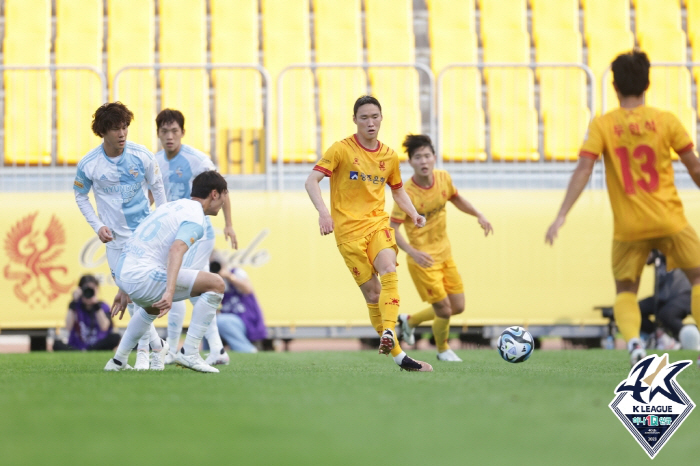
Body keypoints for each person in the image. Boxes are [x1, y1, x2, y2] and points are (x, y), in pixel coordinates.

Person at [545, 49, 700, 367]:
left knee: (626, 289)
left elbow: (584, 171)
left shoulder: (603, 125)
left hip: (630, 227)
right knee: (697, 278)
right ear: (647, 84)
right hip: (670, 220)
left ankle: (633, 343)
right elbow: (695, 169)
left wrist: (561, 215)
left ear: (614, 86)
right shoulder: (666, 121)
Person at [304, 95, 432, 372]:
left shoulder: (389, 156)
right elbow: (311, 180)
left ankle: (388, 331)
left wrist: (413, 214)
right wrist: (324, 213)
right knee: (373, 295)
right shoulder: (340, 149)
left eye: (375, 116)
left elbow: (397, 190)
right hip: (348, 234)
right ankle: (400, 357)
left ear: (381, 118)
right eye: (364, 117)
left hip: (377, 225)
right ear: (355, 120)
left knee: (388, 267)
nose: (370, 122)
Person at [74, 102, 168, 370]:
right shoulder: (89, 164)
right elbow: (80, 195)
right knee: (136, 298)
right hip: (114, 242)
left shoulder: (142, 156)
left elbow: (158, 188)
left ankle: (143, 356)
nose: (122, 133)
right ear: (102, 132)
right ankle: (158, 347)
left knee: (138, 297)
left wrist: (161, 223)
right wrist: (97, 225)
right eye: (115, 128)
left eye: (125, 127)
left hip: (143, 237)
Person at [105, 170, 229, 373]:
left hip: (125, 271)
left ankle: (118, 361)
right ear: (215, 194)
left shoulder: (173, 206)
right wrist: (169, 292)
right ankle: (189, 353)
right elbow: (176, 249)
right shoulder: (196, 217)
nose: (224, 203)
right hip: (141, 275)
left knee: (151, 307)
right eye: (224, 196)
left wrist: (122, 288)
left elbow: (142, 240)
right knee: (216, 284)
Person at [390, 135, 493, 362]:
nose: (424, 161)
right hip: (422, 259)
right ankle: (443, 350)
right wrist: (412, 252)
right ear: (411, 162)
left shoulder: (443, 178)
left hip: (445, 254)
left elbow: (456, 199)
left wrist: (479, 214)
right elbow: (393, 229)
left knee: (458, 306)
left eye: (427, 156)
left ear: (434, 158)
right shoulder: (405, 194)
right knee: (444, 310)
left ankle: (411, 321)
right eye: (418, 157)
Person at [153, 109, 238, 367]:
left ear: (183, 132)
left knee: (179, 285)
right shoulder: (155, 161)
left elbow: (221, 190)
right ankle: (216, 349)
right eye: (164, 132)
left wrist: (229, 224)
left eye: (174, 131)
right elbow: (151, 195)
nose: (169, 136)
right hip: (175, 231)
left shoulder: (197, 159)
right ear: (157, 134)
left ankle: (173, 347)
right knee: (198, 290)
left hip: (196, 233)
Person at [210, 258, 267, 353]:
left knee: (221, 321)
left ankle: (248, 350)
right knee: (210, 321)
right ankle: (210, 353)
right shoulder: (216, 280)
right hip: (230, 318)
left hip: (245, 318)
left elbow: (247, 289)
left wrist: (229, 276)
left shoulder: (236, 272)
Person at [53, 274, 121, 351]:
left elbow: (104, 327)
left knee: (115, 337)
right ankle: (82, 351)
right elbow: (68, 327)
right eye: (86, 289)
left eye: (92, 289)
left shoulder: (102, 306)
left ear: (97, 289)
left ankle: (89, 350)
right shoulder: (75, 306)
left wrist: (96, 305)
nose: (88, 292)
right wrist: (74, 302)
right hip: (77, 347)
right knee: (57, 344)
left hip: (97, 346)